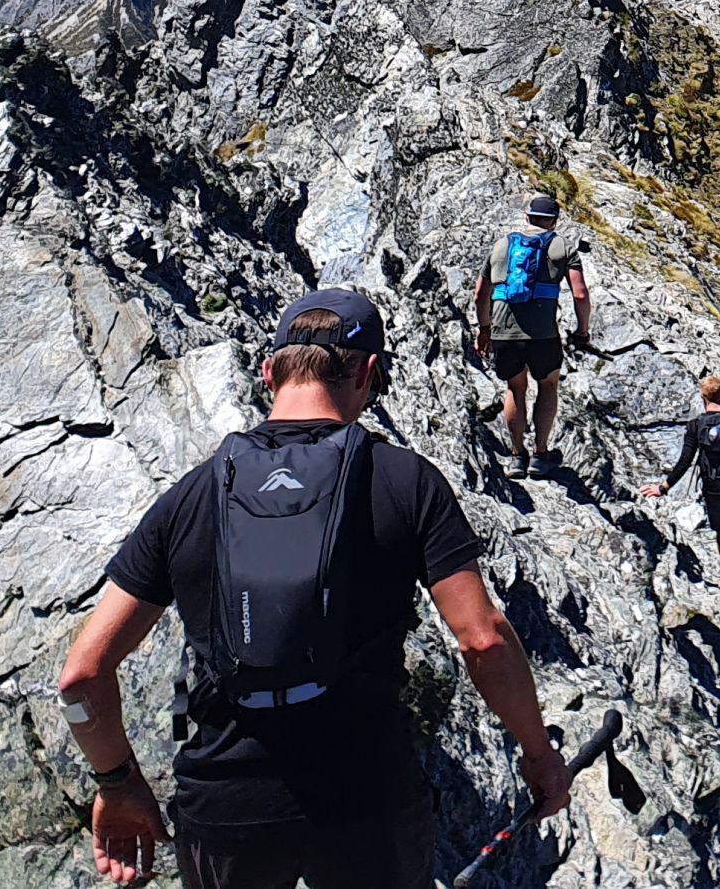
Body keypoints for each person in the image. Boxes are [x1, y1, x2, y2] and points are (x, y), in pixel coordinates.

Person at [56, 290, 570, 889]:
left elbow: (82, 675)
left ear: (269, 371)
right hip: (368, 803)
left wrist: (118, 785)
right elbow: (482, 640)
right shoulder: (407, 483)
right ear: (370, 373)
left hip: (226, 811)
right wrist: (538, 754)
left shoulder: (191, 498)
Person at [473, 191, 591, 478]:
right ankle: (540, 453)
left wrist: (484, 329)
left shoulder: (502, 245)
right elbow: (580, 293)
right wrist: (582, 330)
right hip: (543, 334)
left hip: (503, 330)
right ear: (554, 222)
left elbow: (480, 295)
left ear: (527, 217)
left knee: (515, 388)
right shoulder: (562, 246)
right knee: (548, 386)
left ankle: (516, 456)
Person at [638, 374, 720, 590]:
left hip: (713, 488)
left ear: (702, 397)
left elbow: (685, 461)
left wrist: (663, 487)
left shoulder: (695, 425)